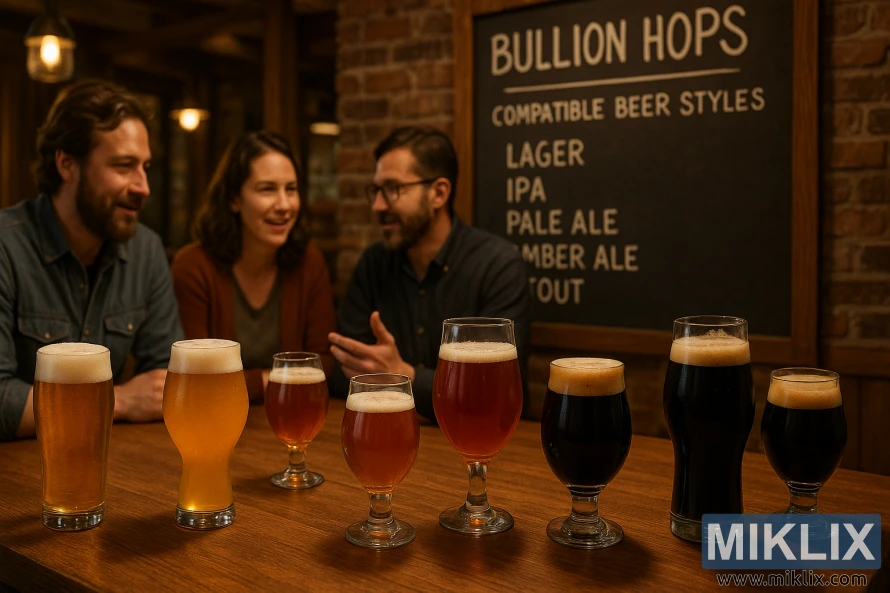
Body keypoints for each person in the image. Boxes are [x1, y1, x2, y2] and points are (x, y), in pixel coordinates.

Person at [0, 78, 184, 441]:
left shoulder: (145, 250)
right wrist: (118, 402)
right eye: (124, 166)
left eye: (145, 166)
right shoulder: (7, 246)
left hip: (107, 465)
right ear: (67, 163)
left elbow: (167, 381)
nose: (143, 186)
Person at [328, 126, 531, 421]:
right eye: (375, 190)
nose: (377, 205)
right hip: (389, 438)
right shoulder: (374, 264)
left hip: (478, 447)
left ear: (438, 193)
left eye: (393, 189)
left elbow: (501, 395)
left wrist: (403, 375)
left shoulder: (497, 266)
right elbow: (342, 375)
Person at [171, 131, 336, 402]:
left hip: (289, 419)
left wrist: (245, 382)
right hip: (213, 420)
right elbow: (197, 375)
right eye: (267, 189)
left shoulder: (309, 263)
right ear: (234, 199)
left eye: (291, 189)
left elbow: (323, 363)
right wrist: (278, 379)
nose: (284, 205)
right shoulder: (194, 267)